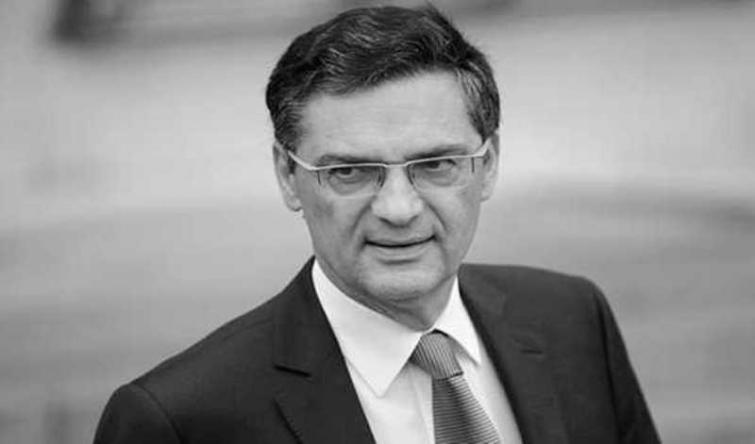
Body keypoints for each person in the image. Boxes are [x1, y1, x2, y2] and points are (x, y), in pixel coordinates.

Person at [93, 5, 660, 444]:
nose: (398, 208)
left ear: (487, 165)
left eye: (435, 164)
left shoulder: (573, 321)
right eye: (350, 171)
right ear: (288, 176)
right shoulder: (178, 421)